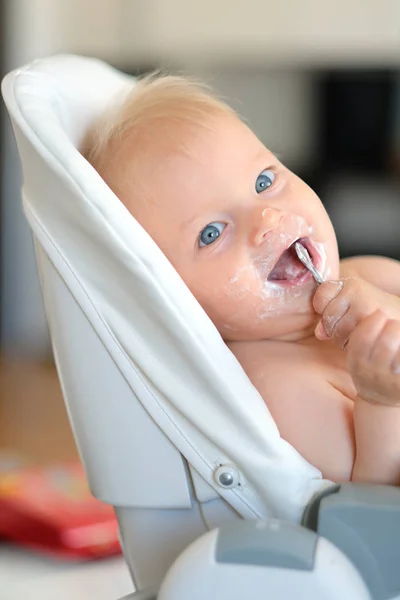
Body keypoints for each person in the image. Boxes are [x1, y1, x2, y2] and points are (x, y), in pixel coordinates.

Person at [82, 73, 400, 485]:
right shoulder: (276, 388)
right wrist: (380, 402)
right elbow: (369, 519)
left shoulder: (372, 275)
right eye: (211, 233)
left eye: (264, 181)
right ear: (169, 298)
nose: (267, 220)